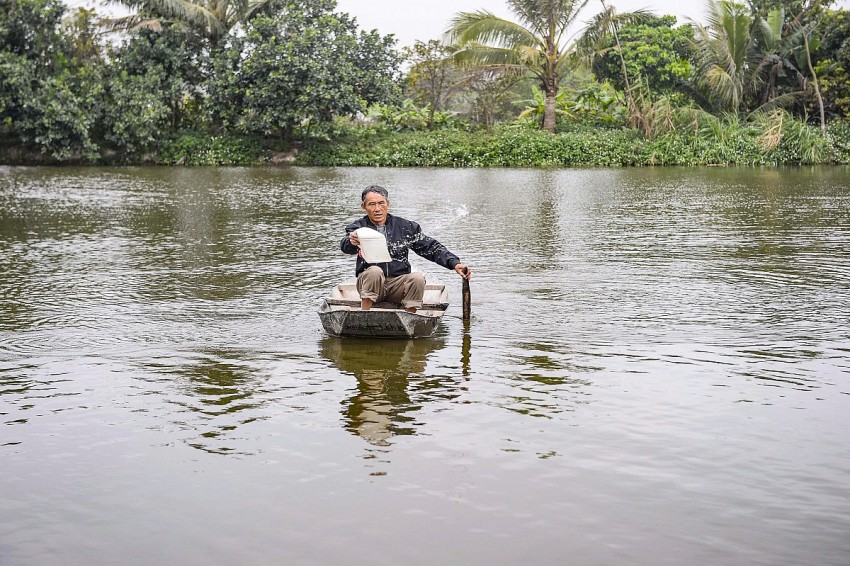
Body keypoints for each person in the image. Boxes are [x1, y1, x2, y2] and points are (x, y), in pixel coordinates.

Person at [340, 185, 471, 313]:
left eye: (381, 203)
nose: (377, 209)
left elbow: (431, 247)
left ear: (388, 204)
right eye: (372, 204)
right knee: (374, 271)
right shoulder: (358, 228)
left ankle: (409, 317)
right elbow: (345, 246)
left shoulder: (405, 227)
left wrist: (455, 263)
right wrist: (352, 241)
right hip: (370, 286)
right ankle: (364, 314)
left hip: (398, 285)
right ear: (363, 207)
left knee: (417, 278)